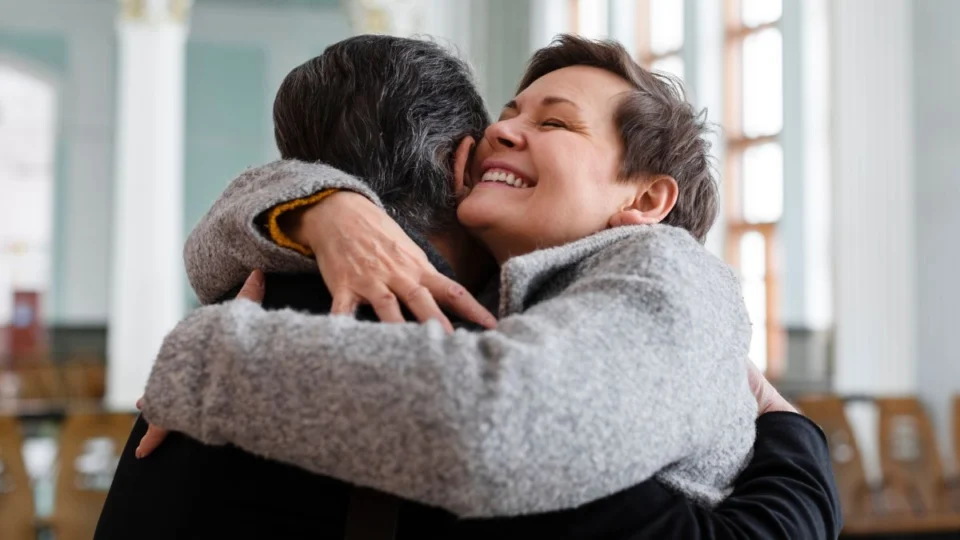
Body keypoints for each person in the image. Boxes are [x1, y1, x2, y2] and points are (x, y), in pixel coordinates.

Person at [96, 35, 841, 540]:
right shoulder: (494, 312)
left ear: (647, 201)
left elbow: (494, 423)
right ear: (460, 168)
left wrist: (208, 354)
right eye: (509, 116)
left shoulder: (668, 276)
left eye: (557, 123)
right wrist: (321, 207)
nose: (508, 134)